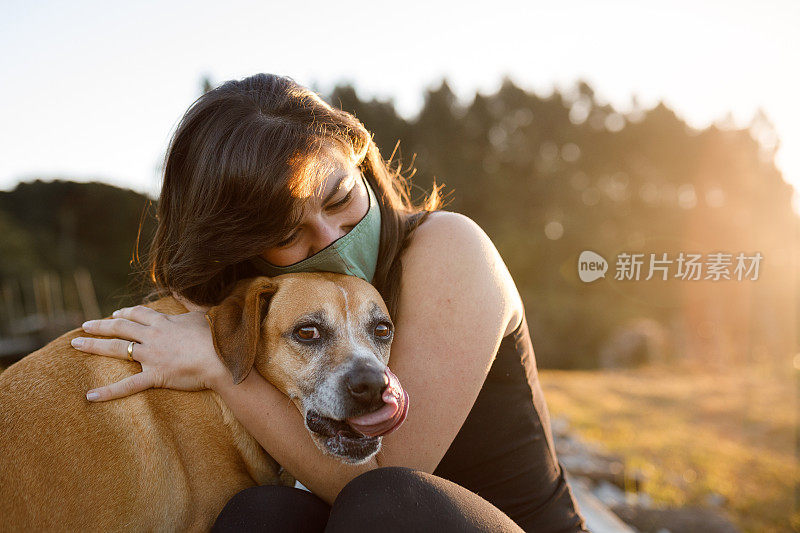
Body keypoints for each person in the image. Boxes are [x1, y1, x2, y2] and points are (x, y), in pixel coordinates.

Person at [72, 73, 588, 532]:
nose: (329, 236)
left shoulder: (449, 247)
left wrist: (215, 363)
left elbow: (382, 478)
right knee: (259, 516)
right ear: (242, 246)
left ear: (359, 157)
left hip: (480, 521)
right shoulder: (265, 300)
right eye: (287, 231)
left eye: (341, 199)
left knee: (384, 503)